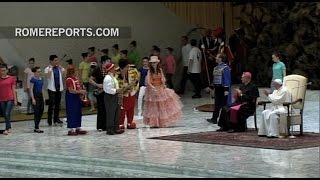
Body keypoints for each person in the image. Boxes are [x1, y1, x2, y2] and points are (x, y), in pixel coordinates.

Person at [143, 56, 183, 128]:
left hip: (160, 88)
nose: (153, 64)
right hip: (153, 90)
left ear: (157, 63)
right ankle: (155, 122)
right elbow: (148, 81)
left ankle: (162, 121)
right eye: (152, 63)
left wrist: (163, 85)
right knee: (154, 107)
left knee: (162, 105)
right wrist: (153, 88)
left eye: (154, 63)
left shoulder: (160, 70)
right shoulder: (150, 71)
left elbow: (163, 79)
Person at [206, 53, 231, 124]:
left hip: (223, 88)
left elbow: (227, 79)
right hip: (217, 88)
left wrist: (226, 90)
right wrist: (211, 86)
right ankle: (214, 119)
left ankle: (227, 119)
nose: (215, 58)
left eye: (217, 56)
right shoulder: (216, 67)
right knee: (217, 104)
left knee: (224, 105)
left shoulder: (225, 67)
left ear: (220, 59)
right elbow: (215, 79)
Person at [116, 59, 140, 129]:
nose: (128, 68)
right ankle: (121, 123)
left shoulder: (133, 70)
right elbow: (117, 85)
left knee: (131, 108)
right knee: (122, 109)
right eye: (126, 67)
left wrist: (133, 86)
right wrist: (125, 89)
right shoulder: (117, 73)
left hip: (131, 92)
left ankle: (130, 122)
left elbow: (136, 80)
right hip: (123, 94)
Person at [103, 62, 125, 135]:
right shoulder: (107, 78)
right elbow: (107, 89)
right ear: (110, 69)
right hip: (110, 97)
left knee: (116, 111)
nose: (114, 69)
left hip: (115, 95)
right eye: (113, 68)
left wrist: (118, 91)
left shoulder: (113, 77)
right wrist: (116, 90)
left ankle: (116, 127)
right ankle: (110, 128)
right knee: (110, 112)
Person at [65, 65, 88, 136]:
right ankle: (72, 128)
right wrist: (81, 92)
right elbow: (71, 90)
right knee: (72, 112)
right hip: (71, 97)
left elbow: (78, 87)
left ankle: (78, 126)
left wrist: (81, 91)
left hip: (77, 96)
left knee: (78, 111)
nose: (77, 71)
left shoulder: (75, 78)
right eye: (75, 70)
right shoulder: (69, 79)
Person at [44, 55, 65, 126]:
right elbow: (48, 77)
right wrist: (51, 68)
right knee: (51, 104)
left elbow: (64, 74)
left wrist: (60, 67)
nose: (57, 61)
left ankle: (56, 119)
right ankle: (49, 119)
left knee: (57, 104)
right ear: (51, 61)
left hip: (59, 88)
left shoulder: (59, 68)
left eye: (57, 60)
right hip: (51, 89)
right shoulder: (47, 68)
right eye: (55, 60)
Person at [89, 59, 108, 132]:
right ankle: (100, 126)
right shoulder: (97, 70)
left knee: (107, 108)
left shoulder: (109, 70)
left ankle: (106, 125)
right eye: (107, 61)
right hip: (100, 91)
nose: (108, 63)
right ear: (103, 62)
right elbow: (90, 80)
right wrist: (97, 85)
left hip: (108, 91)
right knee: (100, 108)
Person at [0, 63, 17, 135]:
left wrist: (15, 100)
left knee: (7, 113)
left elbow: (13, 89)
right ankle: (9, 126)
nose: (3, 72)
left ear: (7, 70)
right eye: (1, 70)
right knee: (5, 114)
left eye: (4, 70)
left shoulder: (11, 78)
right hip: (1, 99)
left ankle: (7, 129)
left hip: (10, 98)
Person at [29, 66, 44, 133]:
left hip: (40, 96)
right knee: (37, 112)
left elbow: (41, 88)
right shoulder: (33, 79)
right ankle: (36, 127)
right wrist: (33, 99)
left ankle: (37, 125)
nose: (40, 73)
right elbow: (31, 89)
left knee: (41, 110)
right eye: (38, 72)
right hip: (35, 96)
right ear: (34, 73)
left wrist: (43, 97)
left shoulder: (41, 79)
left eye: (40, 71)